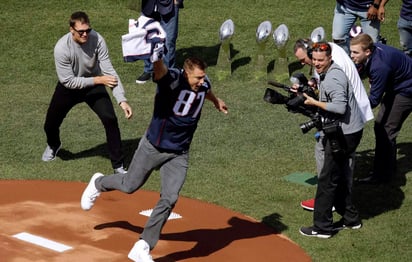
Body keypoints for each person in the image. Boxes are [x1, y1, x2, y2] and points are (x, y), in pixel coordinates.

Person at [80, 53, 228, 261]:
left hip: (179, 153)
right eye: (198, 78)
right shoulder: (173, 81)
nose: (202, 81)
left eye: (204, 77)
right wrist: (157, 57)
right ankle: (98, 182)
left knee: (170, 198)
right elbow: (161, 73)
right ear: (186, 74)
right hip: (153, 147)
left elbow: (206, 90)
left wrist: (216, 100)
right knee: (130, 185)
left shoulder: (203, 84)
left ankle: (143, 246)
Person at [42, 11, 132, 174]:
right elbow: (68, 81)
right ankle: (54, 145)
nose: (85, 34)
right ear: (71, 30)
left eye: (88, 30)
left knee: (110, 119)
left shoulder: (97, 39)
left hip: (94, 86)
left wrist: (121, 99)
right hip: (69, 88)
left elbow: (109, 70)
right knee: (50, 124)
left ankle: (118, 165)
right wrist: (98, 80)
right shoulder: (61, 48)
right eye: (81, 32)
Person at [293, 39, 372, 211]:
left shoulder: (335, 71)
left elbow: (338, 104)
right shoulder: (328, 56)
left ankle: (333, 201)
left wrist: (314, 102)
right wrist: (309, 86)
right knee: (330, 155)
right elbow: (324, 85)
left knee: (340, 162)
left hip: (347, 120)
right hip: (348, 116)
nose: (308, 63)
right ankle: (336, 201)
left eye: (303, 59)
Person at [350, 33, 412, 184]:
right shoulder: (373, 51)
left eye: (355, 52)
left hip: (406, 91)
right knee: (380, 127)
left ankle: (383, 176)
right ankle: (386, 169)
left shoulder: (379, 67)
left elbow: (373, 100)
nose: (351, 56)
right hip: (398, 86)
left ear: (368, 52)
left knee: (386, 129)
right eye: (351, 51)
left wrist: (351, 110)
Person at [136, 0, 184, 84]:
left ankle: (168, 72)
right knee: (147, 37)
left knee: (169, 40)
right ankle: (149, 70)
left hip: (170, 5)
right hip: (148, 5)